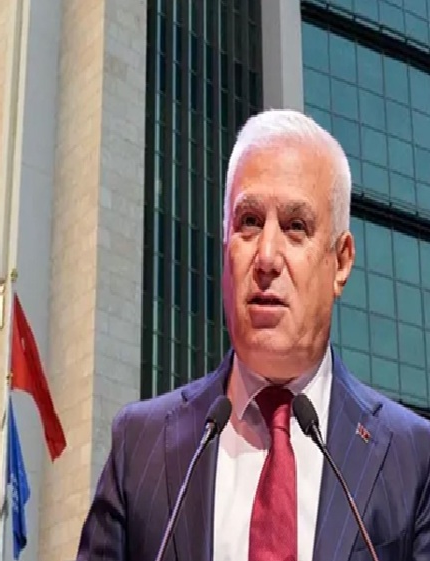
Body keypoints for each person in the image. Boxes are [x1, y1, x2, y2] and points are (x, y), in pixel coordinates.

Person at [75, 109, 430, 561]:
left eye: (296, 227)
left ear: (340, 262)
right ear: (226, 245)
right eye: (249, 222)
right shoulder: (140, 446)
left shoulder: (412, 456)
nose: (266, 257)